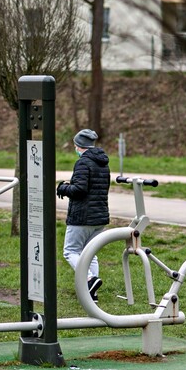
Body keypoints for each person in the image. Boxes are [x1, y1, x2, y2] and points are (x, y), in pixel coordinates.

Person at [57, 129, 110, 302]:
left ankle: (89, 279)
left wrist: (63, 188)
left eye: (75, 145)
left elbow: (79, 190)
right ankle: (91, 292)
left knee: (70, 251)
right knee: (90, 253)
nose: (74, 148)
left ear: (80, 146)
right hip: (99, 216)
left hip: (82, 216)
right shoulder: (103, 163)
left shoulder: (83, 163)